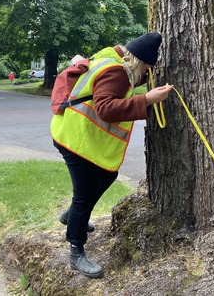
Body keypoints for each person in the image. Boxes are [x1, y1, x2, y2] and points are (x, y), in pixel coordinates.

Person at [50, 32, 173, 278]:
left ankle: (72, 216)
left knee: (107, 175)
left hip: (75, 135)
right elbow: (105, 107)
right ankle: (76, 251)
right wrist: (147, 99)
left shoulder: (111, 61)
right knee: (84, 196)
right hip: (75, 140)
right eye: (148, 70)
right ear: (140, 63)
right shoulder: (117, 72)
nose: (147, 75)